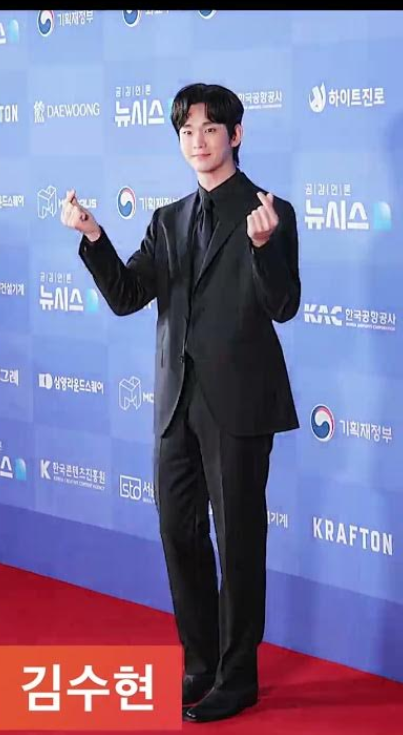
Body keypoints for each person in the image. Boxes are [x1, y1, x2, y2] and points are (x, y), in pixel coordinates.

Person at [61, 82, 300, 723]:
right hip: (174, 404)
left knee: (239, 540)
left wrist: (263, 249)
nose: (198, 141)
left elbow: (284, 305)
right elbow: (127, 295)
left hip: (239, 404)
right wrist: (94, 238)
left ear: (236, 135)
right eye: (187, 131)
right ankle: (199, 661)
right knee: (178, 532)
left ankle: (238, 675)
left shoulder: (269, 211)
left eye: (210, 129)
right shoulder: (167, 220)